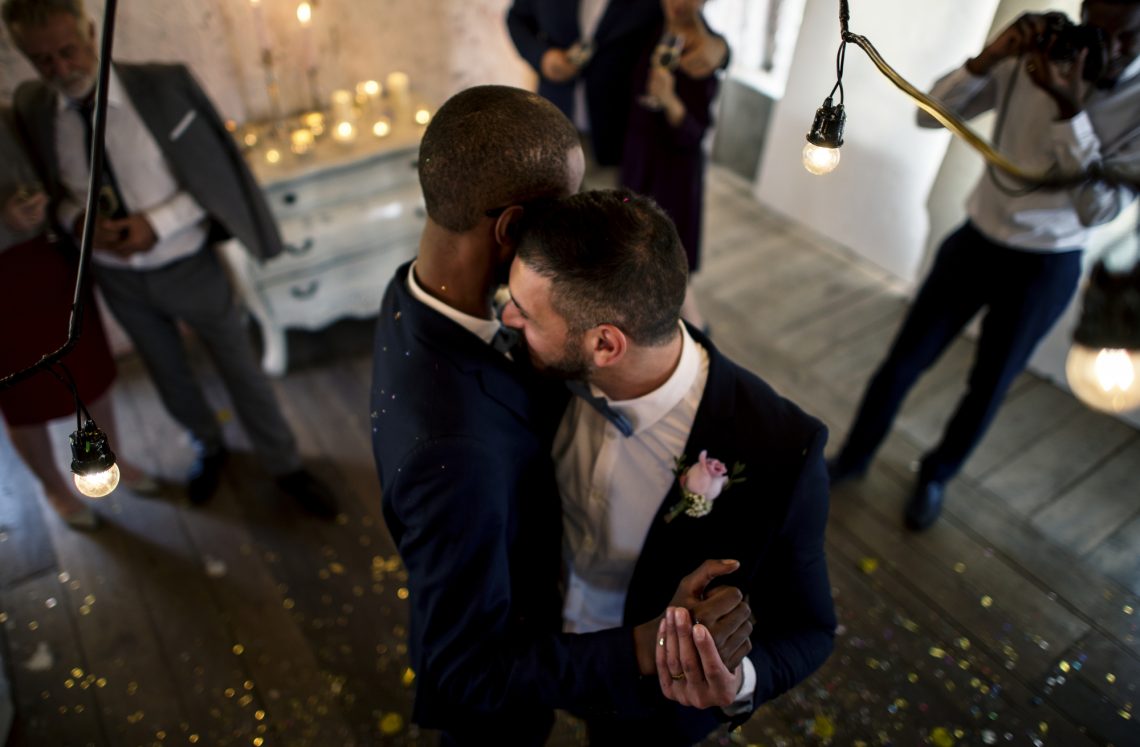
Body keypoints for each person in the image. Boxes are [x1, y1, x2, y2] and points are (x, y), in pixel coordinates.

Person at [371, 86, 752, 746]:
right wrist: (638, 647)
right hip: (506, 703)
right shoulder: (452, 452)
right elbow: (461, 672)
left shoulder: (415, 288)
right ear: (512, 229)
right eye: (564, 214)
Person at [502, 189, 837, 745]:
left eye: (527, 313)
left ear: (605, 344)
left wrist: (736, 681)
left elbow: (812, 628)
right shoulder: (530, 369)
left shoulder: (782, 448)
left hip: (652, 703)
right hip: (529, 652)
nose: (507, 317)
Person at [3, 0, 337, 517]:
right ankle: (210, 446)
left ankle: (285, 463)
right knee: (167, 372)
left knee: (239, 367)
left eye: (68, 51)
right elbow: (60, 191)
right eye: (41, 60)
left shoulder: (163, 86)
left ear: (92, 32)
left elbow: (209, 175)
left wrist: (154, 224)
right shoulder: (36, 107)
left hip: (188, 263)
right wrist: (79, 222)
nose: (60, 70)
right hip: (117, 280)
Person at [828, 1, 1140, 531]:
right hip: (977, 239)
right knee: (904, 359)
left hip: (1049, 264)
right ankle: (852, 458)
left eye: (1126, 37)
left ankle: (935, 476)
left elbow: (1097, 208)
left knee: (988, 386)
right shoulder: (1037, 55)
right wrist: (988, 58)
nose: (1107, 46)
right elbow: (926, 115)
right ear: (1084, 12)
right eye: (1100, 28)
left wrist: (1069, 111)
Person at [0, 105, 155, 530]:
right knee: (23, 397)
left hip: (51, 264)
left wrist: (46, 204)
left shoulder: (17, 112)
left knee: (90, 375)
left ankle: (108, 459)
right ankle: (52, 486)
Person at [506, 0, 727, 172]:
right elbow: (516, 17)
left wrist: (722, 50)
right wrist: (542, 57)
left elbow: (690, 23)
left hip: (614, 138)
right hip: (553, 123)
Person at [620, 0, 719, 331]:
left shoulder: (705, 48)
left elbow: (696, 133)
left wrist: (670, 101)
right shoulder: (650, 27)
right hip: (639, 159)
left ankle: (697, 336)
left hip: (674, 170)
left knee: (672, 264)